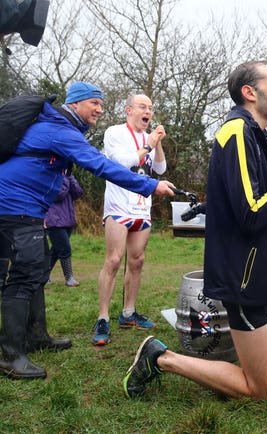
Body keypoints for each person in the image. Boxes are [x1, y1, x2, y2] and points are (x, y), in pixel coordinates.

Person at [122, 60, 267, 401]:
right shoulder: (235, 132)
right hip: (246, 272)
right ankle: (161, 357)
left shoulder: (254, 132)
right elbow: (252, 213)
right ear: (250, 92)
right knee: (261, 390)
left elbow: (264, 199)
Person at [0, 81, 175, 379]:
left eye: (101, 103)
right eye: (94, 102)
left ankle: (36, 335)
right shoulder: (60, 130)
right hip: (14, 205)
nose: (99, 109)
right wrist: (150, 185)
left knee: (36, 269)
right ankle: (10, 356)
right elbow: (101, 165)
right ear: (77, 103)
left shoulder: (58, 127)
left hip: (23, 207)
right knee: (25, 273)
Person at [92, 94, 168, 346]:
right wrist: (147, 144)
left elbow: (159, 170)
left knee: (137, 261)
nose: (148, 111)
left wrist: (156, 144)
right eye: (143, 107)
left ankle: (128, 312)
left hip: (141, 208)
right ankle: (103, 317)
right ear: (129, 110)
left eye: (151, 108)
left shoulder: (149, 137)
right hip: (118, 206)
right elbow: (123, 162)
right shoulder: (115, 132)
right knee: (114, 260)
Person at [44, 172, 83, 287]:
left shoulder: (66, 176)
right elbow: (59, 194)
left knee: (56, 250)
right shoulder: (51, 175)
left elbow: (78, 193)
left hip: (67, 219)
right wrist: (65, 178)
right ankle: (69, 278)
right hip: (54, 220)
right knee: (65, 249)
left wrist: (70, 176)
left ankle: (44, 276)